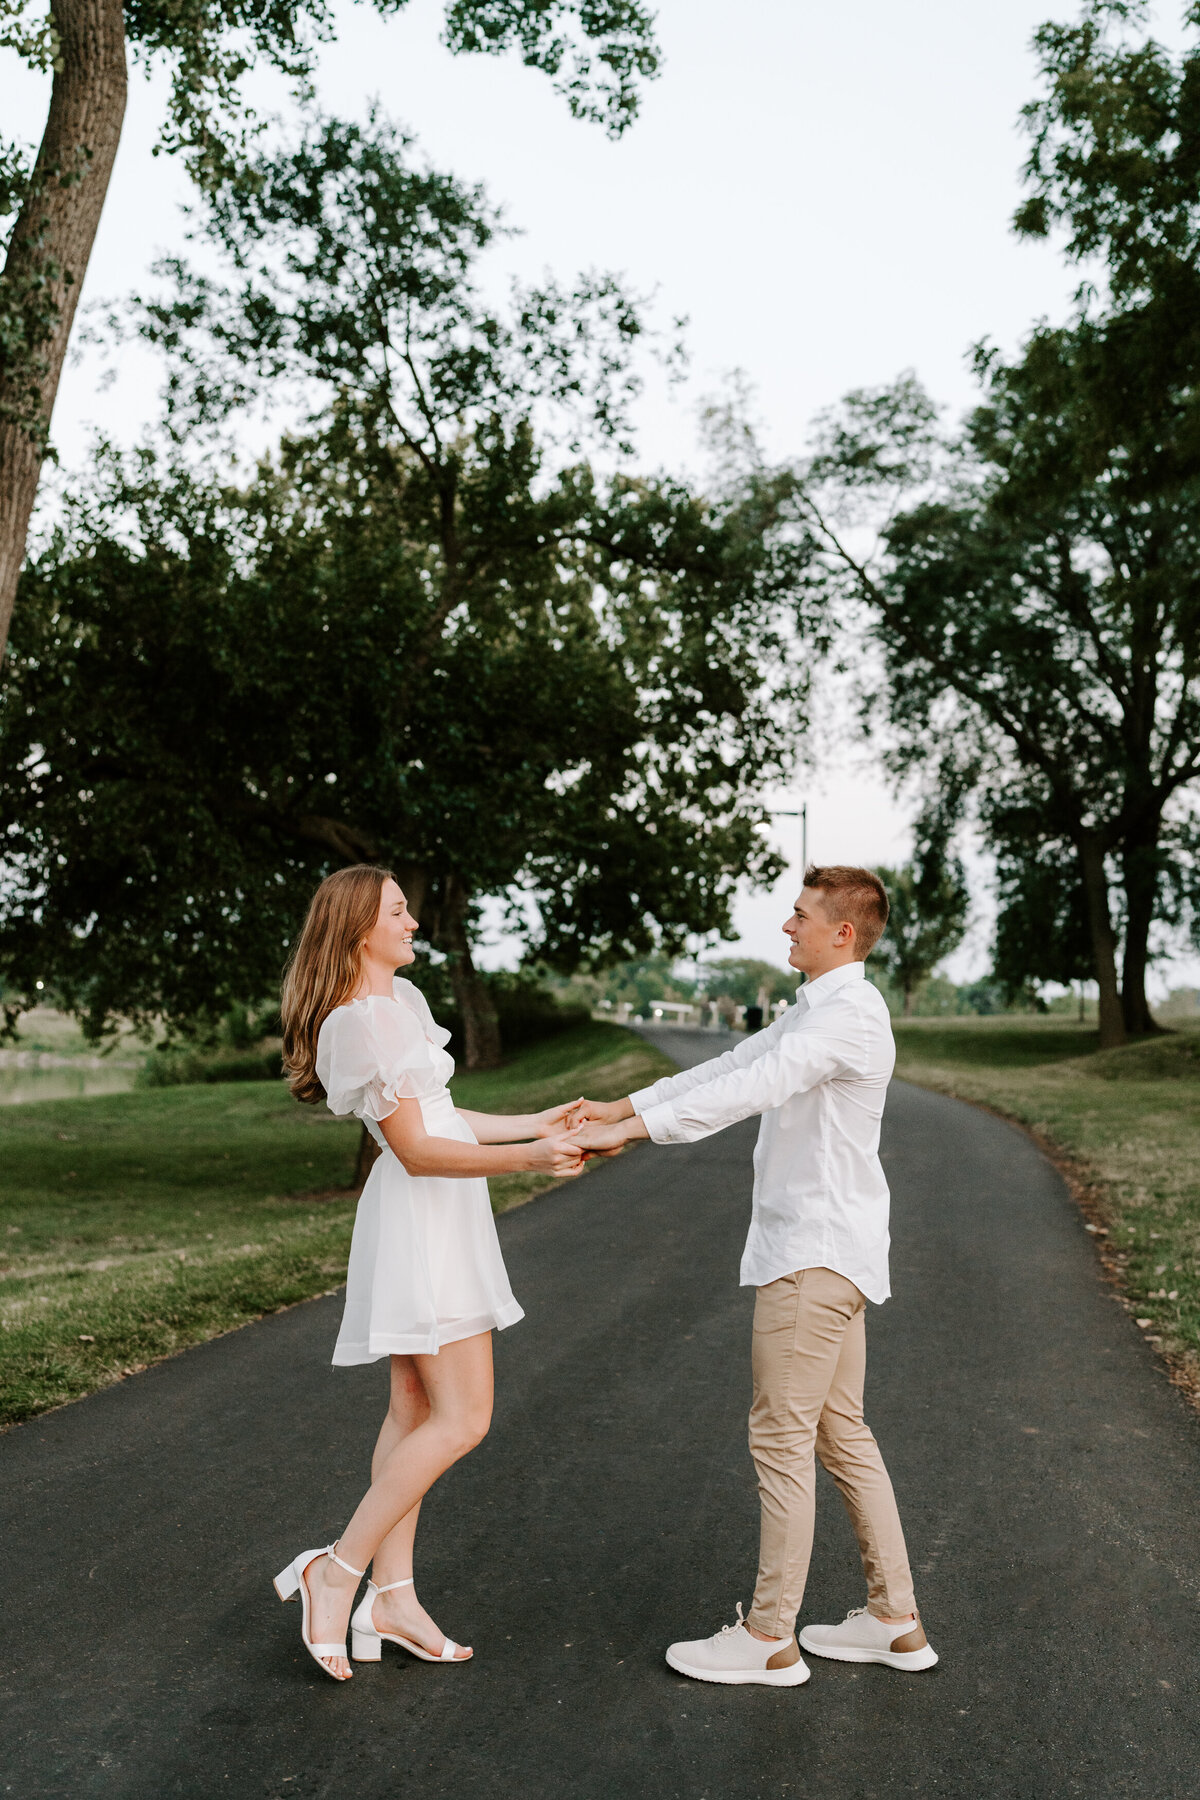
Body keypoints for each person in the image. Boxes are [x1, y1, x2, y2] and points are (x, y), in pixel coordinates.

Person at [568, 865, 937, 1688]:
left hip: (811, 1260)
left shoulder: (847, 1017)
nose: (786, 926)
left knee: (782, 1438)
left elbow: (755, 1089)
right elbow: (730, 1065)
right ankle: (894, 1620)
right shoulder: (821, 1010)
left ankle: (771, 1637)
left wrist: (628, 1139)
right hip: (828, 1255)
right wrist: (622, 1110)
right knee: (842, 1434)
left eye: (800, 916)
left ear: (843, 933)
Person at [275, 864, 585, 1681]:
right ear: (357, 930)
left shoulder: (400, 1007)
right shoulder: (360, 1022)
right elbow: (412, 1149)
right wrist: (530, 1157)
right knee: (465, 1418)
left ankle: (395, 1598)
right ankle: (335, 1572)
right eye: (399, 910)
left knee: (415, 1411)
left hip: (438, 1213)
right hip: (421, 1217)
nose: (414, 921)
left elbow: (438, 1116)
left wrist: (534, 1121)